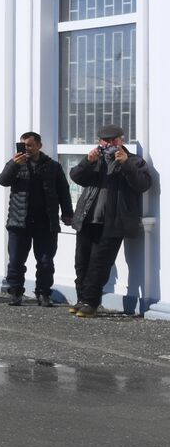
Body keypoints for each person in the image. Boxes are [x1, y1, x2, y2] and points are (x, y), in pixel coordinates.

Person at [68, 124, 152, 318]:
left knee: (100, 264)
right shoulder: (96, 160)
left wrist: (127, 165)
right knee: (82, 262)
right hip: (87, 219)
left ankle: (91, 302)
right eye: (106, 141)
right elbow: (75, 177)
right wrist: (87, 162)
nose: (110, 144)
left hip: (113, 222)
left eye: (115, 140)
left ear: (122, 140)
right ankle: (81, 299)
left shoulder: (134, 161)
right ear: (100, 142)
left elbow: (143, 185)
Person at [0, 131, 73, 307]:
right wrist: (14, 166)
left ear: (39, 145)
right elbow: (3, 180)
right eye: (24, 146)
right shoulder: (15, 163)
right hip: (19, 220)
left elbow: (63, 190)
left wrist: (67, 213)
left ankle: (43, 293)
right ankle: (15, 292)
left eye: (30, 145)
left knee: (45, 261)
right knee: (16, 260)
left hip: (46, 221)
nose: (27, 149)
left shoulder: (53, 166)